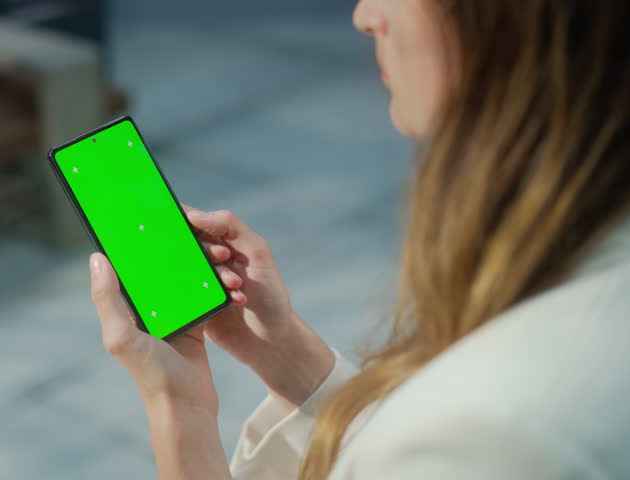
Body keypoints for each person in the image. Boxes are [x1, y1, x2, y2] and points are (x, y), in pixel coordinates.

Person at [87, 0, 630, 478]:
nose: (363, 16)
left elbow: (446, 439)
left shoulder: (487, 430)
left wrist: (177, 405)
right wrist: (290, 357)